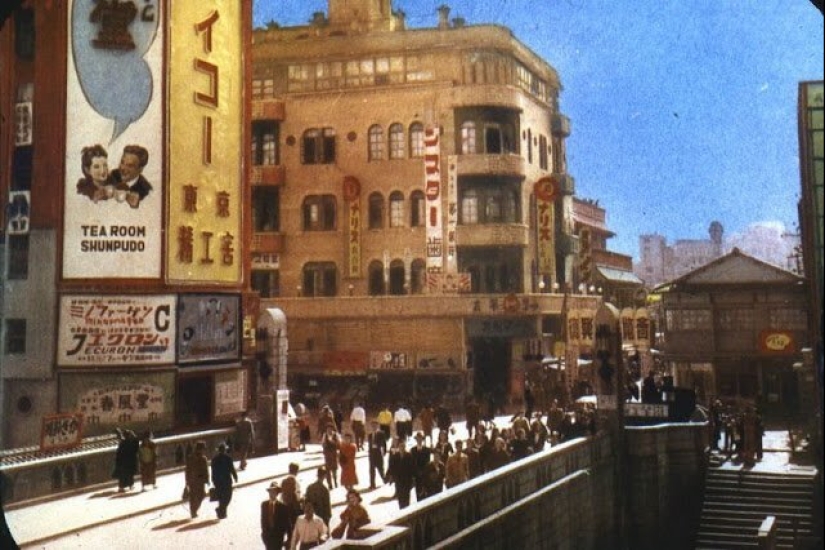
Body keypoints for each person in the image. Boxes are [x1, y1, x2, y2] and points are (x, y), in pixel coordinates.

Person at [261, 481, 292, 550]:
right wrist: (264, 535)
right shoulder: (264, 505)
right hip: (268, 538)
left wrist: (289, 539)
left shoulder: (282, 507)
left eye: (274, 492)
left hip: (278, 538)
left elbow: (288, 524)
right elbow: (263, 521)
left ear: (277, 493)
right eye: (270, 491)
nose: (272, 494)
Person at [210, 443, 238, 519]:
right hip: (224, 481)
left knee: (224, 498)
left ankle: (221, 511)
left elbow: (231, 468)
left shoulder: (225, 458)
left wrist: (235, 476)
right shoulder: (218, 459)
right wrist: (235, 476)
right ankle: (221, 512)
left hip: (222, 481)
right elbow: (232, 469)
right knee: (226, 497)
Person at [386, 437, 415, 509]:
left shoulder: (409, 456)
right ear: (398, 447)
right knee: (400, 499)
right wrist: (390, 476)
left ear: (405, 447)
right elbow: (391, 467)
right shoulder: (395, 456)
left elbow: (412, 468)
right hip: (398, 481)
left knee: (406, 498)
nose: (402, 448)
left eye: (403, 446)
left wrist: (413, 479)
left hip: (407, 481)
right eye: (400, 446)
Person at [185, 440, 209, 518]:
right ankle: (193, 511)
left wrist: (207, 479)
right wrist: (187, 480)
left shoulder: (203, 458)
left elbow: (206, 470)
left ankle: (194, 510)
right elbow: (187, 469)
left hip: (199, 480)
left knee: (201, 495)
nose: (203, 451)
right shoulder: (192, 458)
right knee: (194, 496)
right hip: (195, 480)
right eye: (203, 449)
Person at [112, 428, 139, 492]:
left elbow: (119, 453)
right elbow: (136, 446)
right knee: (130, 475)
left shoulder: (123, 443)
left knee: (123, 476)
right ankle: (130, 485)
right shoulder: (131, 442)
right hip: (130, 462)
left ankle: (122, 487)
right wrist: (133, 434)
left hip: (123, 463)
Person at [410, 432, 432, 502]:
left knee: (426, 492)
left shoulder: (427, 450)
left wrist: (424, 472)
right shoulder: (413, 450)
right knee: (418, 493)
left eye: (420, 439)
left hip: (425, 474)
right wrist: (415, 473)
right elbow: (412, 463)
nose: (419, 440)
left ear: (422, 440)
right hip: (417, 475)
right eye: (417, 439)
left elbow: (427, 461)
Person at [367, 421, 388, 489]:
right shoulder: (370, 435)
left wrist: (384, 451)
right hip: (372, 454)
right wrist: (369, 453)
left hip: (378, 453)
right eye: (372, 426)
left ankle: (385, 479)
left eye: (375, 425)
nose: (373, 427)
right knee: (371, 470)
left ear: (377, 426)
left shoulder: (381, 433)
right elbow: (369, 445)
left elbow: (384, 443)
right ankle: (372, 484)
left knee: (380, 469)